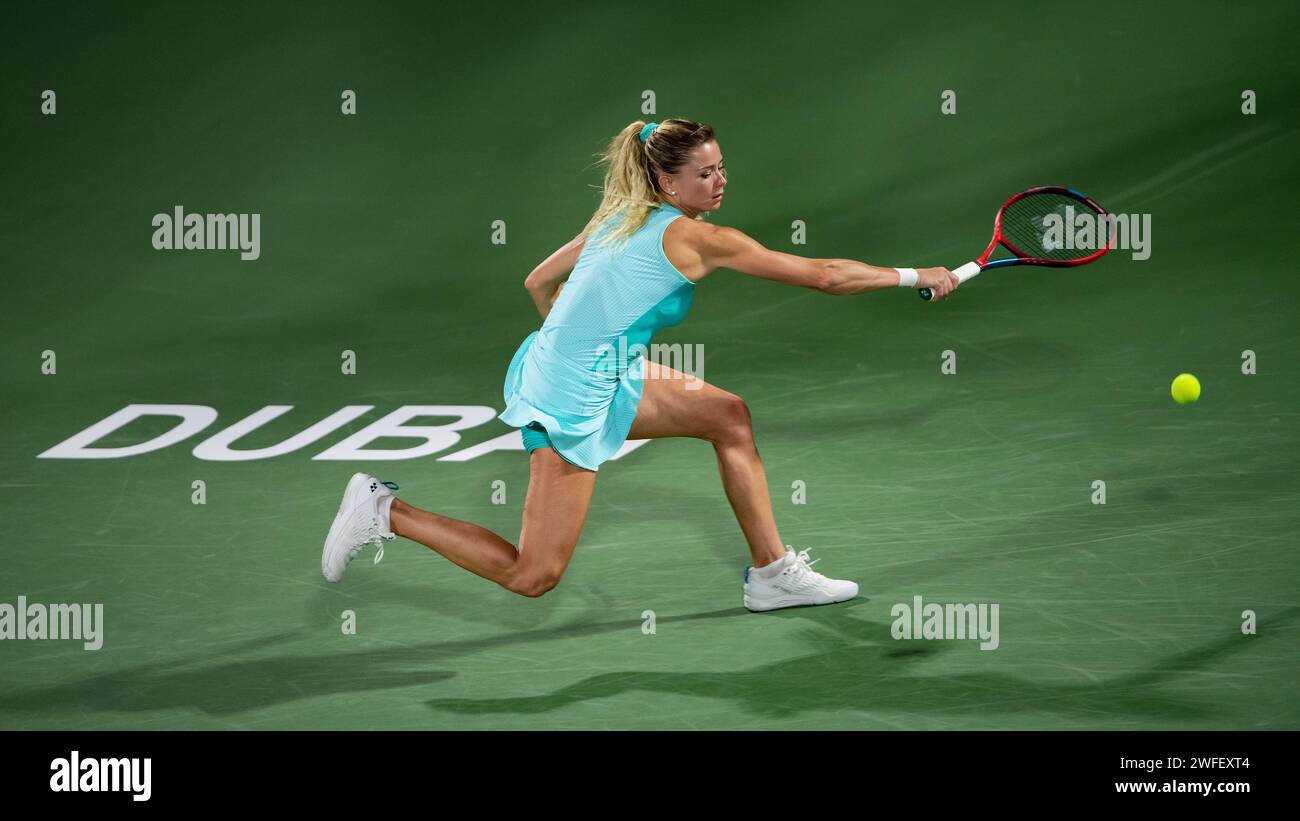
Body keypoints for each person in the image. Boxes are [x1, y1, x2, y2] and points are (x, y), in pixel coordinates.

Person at [321, 118, 958, 611]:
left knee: (727, 416)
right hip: (574, 395)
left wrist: (580, 343)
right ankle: (384, 512)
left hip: (570, 367)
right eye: (704, 174)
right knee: (533, 575)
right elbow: (823, 276)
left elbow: (538, 281)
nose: (720, 182)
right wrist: (915, 275)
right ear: (668, 183)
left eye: (721, 168)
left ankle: (772, 576)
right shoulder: (703, 239)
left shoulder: (622, 215)